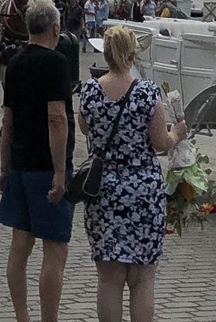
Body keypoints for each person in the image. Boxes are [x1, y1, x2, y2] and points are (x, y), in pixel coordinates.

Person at [77, 24, 187, 322]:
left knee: (108, 280)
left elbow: (85, 128)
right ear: (133, 55)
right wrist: (177, 133)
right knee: (143, 280)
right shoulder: (147, 93)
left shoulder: (90, 91)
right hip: (143, 191)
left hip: (103, 192)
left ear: (105, 54)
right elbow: (160, 143)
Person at [0, 0, 74, 322]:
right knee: (55, 250)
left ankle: (22, 316)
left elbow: (7, 120)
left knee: (20, 246)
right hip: (46, 166)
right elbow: (56, 117)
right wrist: (60, 170)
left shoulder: (15, 63)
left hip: (20, 163)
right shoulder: (56, 63)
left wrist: (4, 168)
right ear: (56, 29)